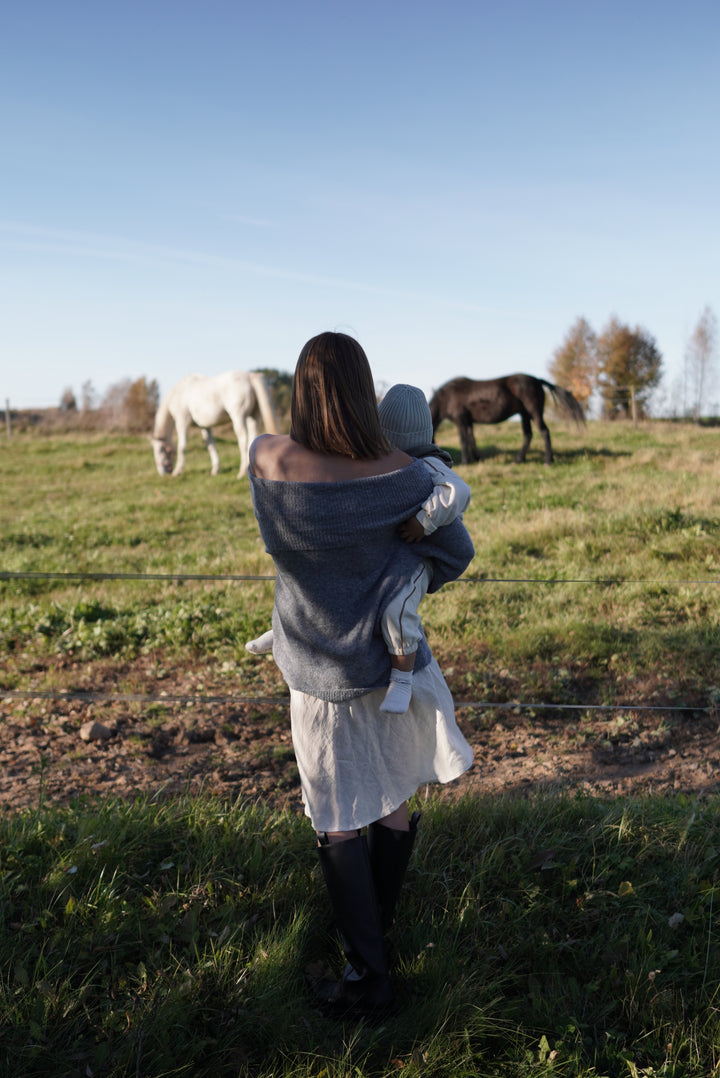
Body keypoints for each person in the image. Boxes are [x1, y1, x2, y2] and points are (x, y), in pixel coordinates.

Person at [248, 332, 475, 1017]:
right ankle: (378, 936)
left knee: (336, 818)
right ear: (362, 392)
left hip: (316, 673)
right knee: (390, 795)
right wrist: (404, 570)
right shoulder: (405, 478)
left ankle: (367, 976)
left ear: (300, 390)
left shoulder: (265, 457)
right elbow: (456, 553)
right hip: (386, 668)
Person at [246, 382, 471, 716]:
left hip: (418, 558)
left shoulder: (425, 466)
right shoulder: (391, 464)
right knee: (296, 582)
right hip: (391, 561)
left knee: (398, 608)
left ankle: (402, 677)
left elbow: (458, 492)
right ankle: (284, 634)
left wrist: (424, 522)